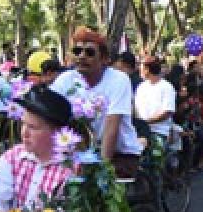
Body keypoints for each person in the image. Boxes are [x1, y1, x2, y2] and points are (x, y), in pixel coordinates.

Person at [51, 27, 143, 177]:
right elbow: (50, 115)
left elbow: (112, 127)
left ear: (105, 59)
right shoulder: (65, 80)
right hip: (80, 153)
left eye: (89, 52)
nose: (81, 56)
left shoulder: (119, 80)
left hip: (119, 155)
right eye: (77, 51)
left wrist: (101, 170)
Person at [135, 57, 177, 143]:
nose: (140, 70)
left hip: (158, 133)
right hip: (140, 132)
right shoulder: (141, 86)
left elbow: (168, 112)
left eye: (141, 68)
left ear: (147, 69)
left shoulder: (167, 87)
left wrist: (147, 122)